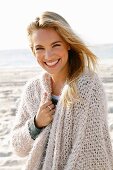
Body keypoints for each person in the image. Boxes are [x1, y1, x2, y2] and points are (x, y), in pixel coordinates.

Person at [11, 11, 113, 170]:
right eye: (40, 48)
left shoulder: (88, 86)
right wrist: (36, 123)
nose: (48, 55)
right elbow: (18, 147)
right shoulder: (33, 90)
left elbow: (89, 154)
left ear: (68, 44)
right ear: (33, 51)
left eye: (55, 45)